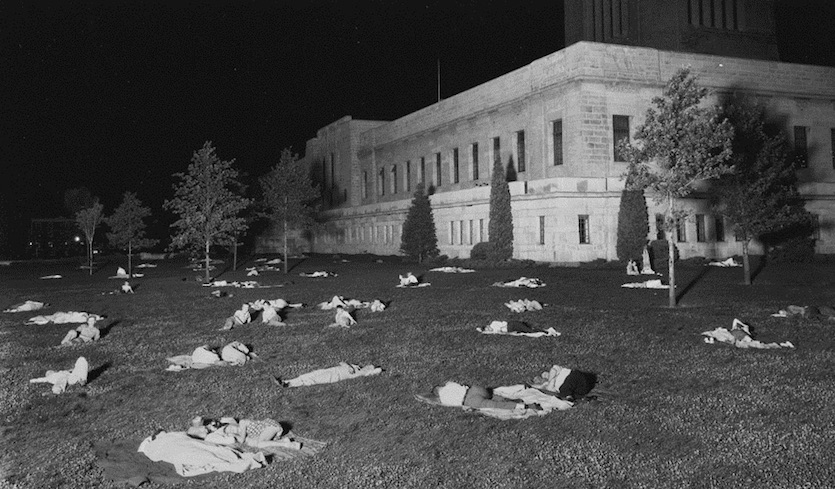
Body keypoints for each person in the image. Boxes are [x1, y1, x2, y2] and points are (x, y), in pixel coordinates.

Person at [432, 381, 542, 411]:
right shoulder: (449, 384)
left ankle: (523, 406)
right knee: (493, 396)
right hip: (474, 390)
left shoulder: (443, 400)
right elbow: (463, 386)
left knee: (495, 405)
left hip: (469, 401)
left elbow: (456, 405)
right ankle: (514, 400)